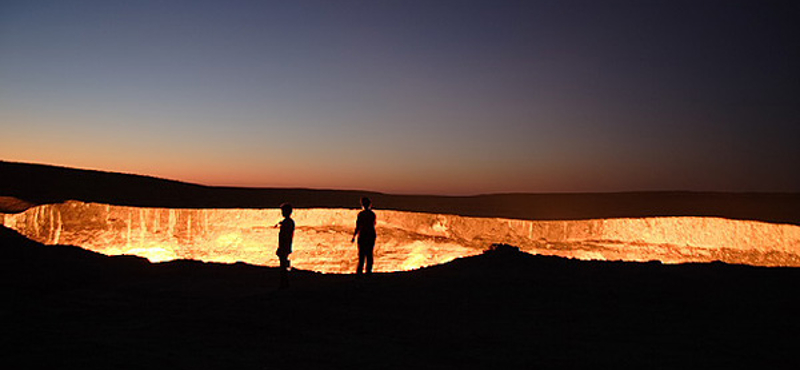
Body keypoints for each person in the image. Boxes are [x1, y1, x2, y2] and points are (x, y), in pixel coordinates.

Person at [351, 197, 377, 277]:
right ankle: (368, 271)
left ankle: (360, 271)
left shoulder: (361, 214)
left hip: (363, 235)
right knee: (369, 253)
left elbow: (358, 226)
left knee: (361, 254)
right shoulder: (372, 214)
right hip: (370, 234)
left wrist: (354, 236)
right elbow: (373, 224)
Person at [275, 203, 294, 289]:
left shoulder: (287, 222)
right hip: (286, 246)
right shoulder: (288, 222)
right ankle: (284, 283)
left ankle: (284, 283)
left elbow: (284, 236)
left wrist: (281, 247)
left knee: (283, 265)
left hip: (284, 246)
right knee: (283, 264)